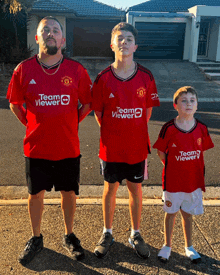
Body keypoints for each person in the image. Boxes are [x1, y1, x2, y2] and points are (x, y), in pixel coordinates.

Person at [6, 16, 92, 265]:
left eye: (56, 30)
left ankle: (69, 234)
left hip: (67, 146)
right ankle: (36, 237)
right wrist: (32, 124)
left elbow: (87, 103)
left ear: (63, 40)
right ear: (37, 37)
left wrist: (71, 122)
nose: (51, 34)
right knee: (35, 195)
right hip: (36, 147)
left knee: (68, 193)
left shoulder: (76, 70)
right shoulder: (23, 69)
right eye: (46, 30)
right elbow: (14, 103)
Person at [91, 22, 160, 259]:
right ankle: (107, 232)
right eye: (120, 38)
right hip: (110, 147)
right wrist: (115, 132)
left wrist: (131, 130)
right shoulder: (102, 78)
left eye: (129, 39)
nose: (124, 42)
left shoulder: (146, 76)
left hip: (136, 147)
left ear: (135, 46)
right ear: (112, 44)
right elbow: (99, 114)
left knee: (135, 189)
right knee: (110, 188)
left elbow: (147, 112)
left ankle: (135, 233)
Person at [153, 86, 214, 263]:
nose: (188, 104)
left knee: (188, 214)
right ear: (175, 105)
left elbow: (201, 151)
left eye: (192, 100)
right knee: (171, 212)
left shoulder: (201, 128)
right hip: (173, 181)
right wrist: (173, 166)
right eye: (184, 100)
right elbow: (161, 152)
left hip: (193, 181)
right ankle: (167, 245)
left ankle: (189, 246)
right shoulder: (168, 128)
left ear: (197, 105)